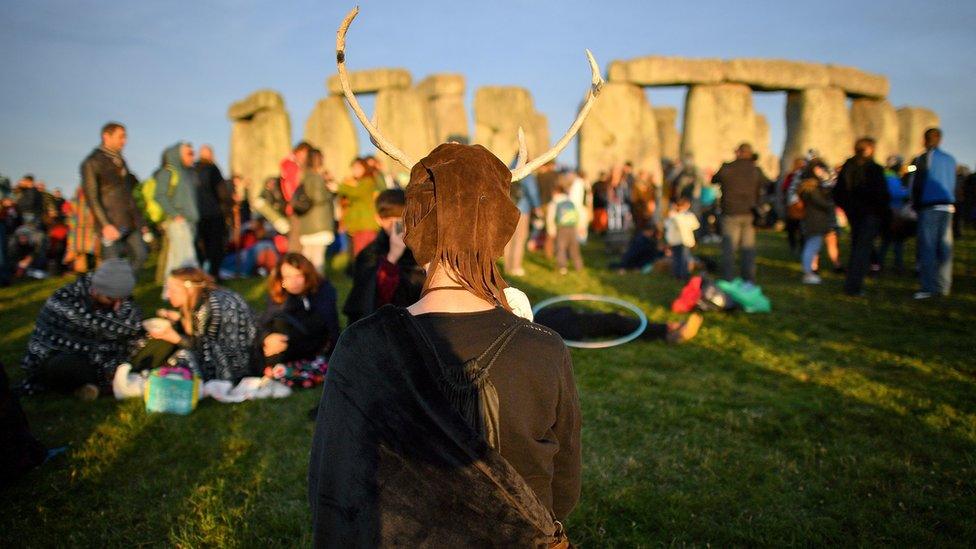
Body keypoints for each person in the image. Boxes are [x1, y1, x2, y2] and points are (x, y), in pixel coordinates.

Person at [309, 144, 580, 546]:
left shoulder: (361, 347)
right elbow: (564, 487)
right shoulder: (545, 349)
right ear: (501, 229)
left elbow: (332, 486)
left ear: (413, 226)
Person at [20, 259, 142, 399]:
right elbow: (121, 326)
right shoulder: (64, 299)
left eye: (122, 299)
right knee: (62, 366)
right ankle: (103, 385)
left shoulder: (113, 300)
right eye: (112, 299)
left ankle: (98, 386)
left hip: (99, 357)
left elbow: (132, 321)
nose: (117, 306)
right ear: (96, 289)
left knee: (146, 344)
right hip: (61, 357)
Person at [142, 267, 259, 382]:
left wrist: (175, 338)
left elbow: (204, 350)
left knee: (180, 357)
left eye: (173, 290)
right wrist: (178, 318)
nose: (168, 295)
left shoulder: (210, 309)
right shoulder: (206, 298)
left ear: (190, 289)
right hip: (239, 356)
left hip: (236, 367)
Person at [343, 189, 425, 324]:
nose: (396, 227)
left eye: (401, 220)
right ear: (378, 219)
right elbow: (365, 299)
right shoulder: (369, 254)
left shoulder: (422, 250)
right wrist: (392, 258)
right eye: (389, 220)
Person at [258, 254, 339, 387]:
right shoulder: (280, 292)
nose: (293, 282)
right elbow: (266, 321)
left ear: (307, 276)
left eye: (298, 276)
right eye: (287, 277)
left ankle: (283, 368)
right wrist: (267, 338)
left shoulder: (322, 291)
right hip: (287, 345)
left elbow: (326, 326)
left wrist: (287, 339)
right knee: (276, 327)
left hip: (313, 344)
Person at [80, 122, 147, 269]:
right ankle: (113, 290)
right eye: (121, 137)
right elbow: (92, 197)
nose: (125, 141)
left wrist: (140, 221)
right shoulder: (92, 162)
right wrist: (105, 224)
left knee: (140, 255)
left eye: (125, 137)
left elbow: (128, 194)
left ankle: (123, 288)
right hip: (111, 221)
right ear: (106, 136)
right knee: (112, 264)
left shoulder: (120, 160)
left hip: (130, 221)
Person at [835, 137, 890, 296]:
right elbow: (881, 195)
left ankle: (853, 284)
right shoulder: (873, 169)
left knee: (857, 248)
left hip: (856, 214)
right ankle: (854, 286)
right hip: (868, 214)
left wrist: (849, 209)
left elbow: (839, 193)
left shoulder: (848, 167)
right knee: (862, 250)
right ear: (869, 149)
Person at [909, 128, 957, 298]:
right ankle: (944, 286)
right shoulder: (951, 160)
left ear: (925, 139)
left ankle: (928, 287)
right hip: (948, 207)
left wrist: (913, 204)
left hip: (929, 206)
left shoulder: (922, 158)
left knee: (928, 247)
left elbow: (915, 182)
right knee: (945, 247)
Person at [712, 143, 770, 282]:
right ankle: (748, 280)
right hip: (750, 213)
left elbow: (714, 179)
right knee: (748, 249)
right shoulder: (755, 170)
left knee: (729, 248)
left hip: (730, 212)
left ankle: (728, 279)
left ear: (737, 152)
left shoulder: (727, 168)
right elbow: (767, 184)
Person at [154, 142, 200, 284]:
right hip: (179, 222)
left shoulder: (188, 174)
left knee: (176, 259)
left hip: (190, 222)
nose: (193, 156)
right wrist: (175, 214)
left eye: (193, 153)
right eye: (189, 153)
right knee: (184, 258)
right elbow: (159, 195)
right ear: (177, 154)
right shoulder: (168, 172)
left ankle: (171, 291)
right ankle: (185, 288)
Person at [536, 307, 703, 345]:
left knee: (613, 320)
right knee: (614, 320)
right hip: (562, 325)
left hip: (558, 319)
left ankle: (668, 328)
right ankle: (668, 331)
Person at [194, 144, 232, 280]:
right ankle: (213, 275)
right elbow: (222, 191)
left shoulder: (192, 170)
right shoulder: (212, 169)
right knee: (216, 247)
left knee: (201, 247)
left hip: (197, 215)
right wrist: (228, 206)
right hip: (213, 214)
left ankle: (203, 274)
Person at [295, 149, 336, 274]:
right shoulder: (316, 177)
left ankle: (304, 282)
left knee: (307, 256)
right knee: (318, 258)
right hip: (318, 223)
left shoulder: (304, 176)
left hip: (307, 222)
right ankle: (317, 286)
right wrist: (331, 191)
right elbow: (318, 197)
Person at [796, 160, 836, 284]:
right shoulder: (812, 188)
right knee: (812, 246)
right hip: (815, 220)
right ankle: (808, 272)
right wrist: (830, 202)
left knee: (812, 246)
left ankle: (809, 271)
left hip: (812, 219)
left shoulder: (807, 187)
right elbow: (822, 203)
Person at [503, 155, 541, 277]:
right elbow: (532, 190)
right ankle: (516, 267)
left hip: (508, 208)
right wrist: (537, 206)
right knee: (520, 239)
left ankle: (507, 267)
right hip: (522, 208)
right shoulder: (525, 169)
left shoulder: (507, 169)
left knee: (508, 239)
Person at [338, 157, 384, 258]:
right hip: (358, 225)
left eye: (358, 168)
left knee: (364, 255)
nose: (355, 171)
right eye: (353, 168)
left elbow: (356, 193)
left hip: (365, 225)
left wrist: (340, 187)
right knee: (360, 255)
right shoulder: (358, 182)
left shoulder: (367, 181)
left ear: (364, 168)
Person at [877, 156, 912, 272]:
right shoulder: (891, 177)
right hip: (894, 211)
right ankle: (896, 264)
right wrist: (907, 192)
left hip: (889, 210)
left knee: (887, 240)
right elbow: (896, 193)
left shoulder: (886, 175)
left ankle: (880, 263)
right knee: (896, 240)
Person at [547, 180, 583, 274]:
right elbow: (577, 213)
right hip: (572, 226)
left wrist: (551, 230)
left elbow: (550, 218)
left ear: (555, 192)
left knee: (561, 248)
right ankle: (578, 266)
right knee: (574, 247)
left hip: (561, 228)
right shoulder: (569, 200)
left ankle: (562, 267)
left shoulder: (554, 202)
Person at [664, 196, 700, 280]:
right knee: (682, 258)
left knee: (680, 258)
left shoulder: (677, 215)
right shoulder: (680, 216)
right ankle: (681, 274)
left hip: (679, 241)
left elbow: (695, 225)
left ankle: (680, 274)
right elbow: (695, 225)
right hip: (681, 240)